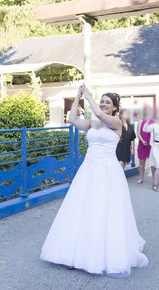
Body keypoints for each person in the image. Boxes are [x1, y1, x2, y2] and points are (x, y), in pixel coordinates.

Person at [41, 85, 148, 277]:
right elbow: (73, 119)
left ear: (115, 107)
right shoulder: (92, 123)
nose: (103, 104)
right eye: (103, 101)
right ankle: (75, 252)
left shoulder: (116, 122)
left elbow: (98, 113)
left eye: (108, 102)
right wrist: (77, 98)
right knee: (83, 208)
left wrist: (90, 97)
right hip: (89, 170)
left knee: (104, 210)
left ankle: (102, 254)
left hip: (108, 171)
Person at [136, 106, 154, 184]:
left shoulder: (153, 121)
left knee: (153, 163)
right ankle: (141, 178)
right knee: (142, 162)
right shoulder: (141, 121)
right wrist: (143, 141)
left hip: (151, 145)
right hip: (142, 144)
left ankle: (155, 180)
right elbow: (138, 133)